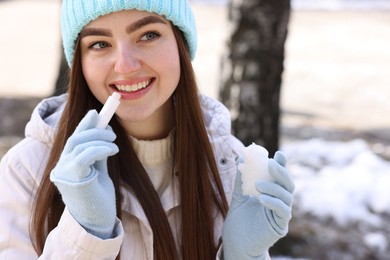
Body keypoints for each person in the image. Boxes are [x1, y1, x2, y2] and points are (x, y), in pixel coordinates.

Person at [0, 0, 295, 259]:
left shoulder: (230, 166)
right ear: (80, 62)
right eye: (100, 44)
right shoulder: (27, 171)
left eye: (148, 35)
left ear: (181, 43)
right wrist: (85, 236)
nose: (126, 66)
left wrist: (243, 256)